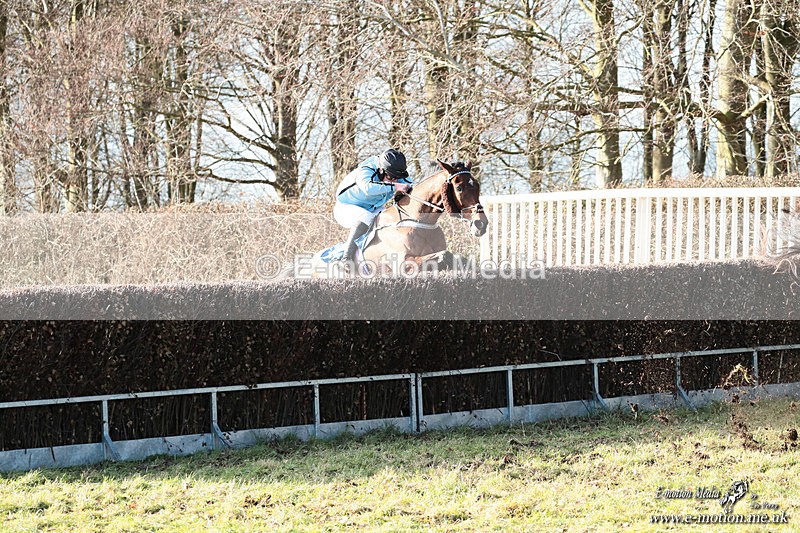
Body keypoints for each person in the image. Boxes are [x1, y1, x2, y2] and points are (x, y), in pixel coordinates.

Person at [334, 149, 413, 264]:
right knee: (366, 217)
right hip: (345, 207)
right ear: (381, 170)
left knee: (391, 219)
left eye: (397, 178)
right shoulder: (367, 169)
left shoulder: (394, 174)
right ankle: (346, 259)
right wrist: (395, 187)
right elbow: (368, 188)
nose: (395, 180)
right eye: (391, 178)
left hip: (372, 208)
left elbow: (415, 186)